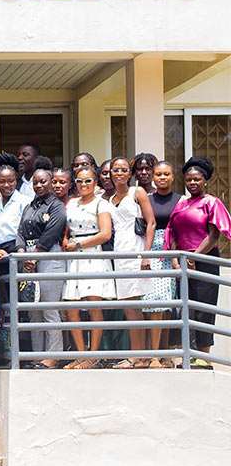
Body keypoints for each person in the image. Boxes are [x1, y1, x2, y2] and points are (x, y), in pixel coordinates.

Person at [163, 156, 231, 367]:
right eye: (189, 179)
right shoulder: (182, 204)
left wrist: (193, 257)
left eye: (197, 179)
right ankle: (190, 353)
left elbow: (213, 235)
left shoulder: (211, 202)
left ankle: (204, 356)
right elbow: (172, 232)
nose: (192, 182)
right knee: (186, 309)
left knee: (203, 308)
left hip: (204, 260)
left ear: (205, 181)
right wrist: (177, 259)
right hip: (183, 262)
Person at [61, 167, 115, 370]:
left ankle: (93, 356)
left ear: (95, 182)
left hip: (93, 254)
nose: (83, 185)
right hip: (74, 257)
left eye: (88, 181)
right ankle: (80, 354)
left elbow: (106, 234)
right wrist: (66, 241)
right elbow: (66, 230)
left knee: (94, 306)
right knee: (72, 307)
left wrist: (79, 245)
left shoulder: (101, 203)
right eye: (80, 181)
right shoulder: (71, 203)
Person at [106, 156, 156, 369]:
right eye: (115, 169)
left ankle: (138, 357)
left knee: (133, 307)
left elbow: (151, 223)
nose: (119, 173)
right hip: (120, 253)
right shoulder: (110, 199)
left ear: (130, 173)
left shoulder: (137, 192)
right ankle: (140, 356)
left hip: (136, 252)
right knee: (129, 307)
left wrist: (146, 255)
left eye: (124, 169)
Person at [15, 169, 68, 369]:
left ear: (51, 182)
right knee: (33, 310)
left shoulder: (56, 206)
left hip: (48, 256)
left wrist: (35, 255)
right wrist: (22, 253)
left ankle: (53, 356)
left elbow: (52, 232)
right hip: (28, 257)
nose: (39, 186)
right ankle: (37, 355)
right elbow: (20, 232)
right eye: (35, 183)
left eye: (43, 181)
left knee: (49, 308)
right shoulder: (30, 206)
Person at [143, 161, 183, 368]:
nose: (162, 177)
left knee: (166, 305)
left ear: (173, 176)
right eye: (158, 174)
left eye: (166, 174)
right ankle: (153, 355)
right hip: (152, 250)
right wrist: (145, 255)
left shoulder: (181, 200)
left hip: (171, 250)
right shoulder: (147, 199)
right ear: (153, 177)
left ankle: (165, 354)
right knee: (155, 304)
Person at [0, 162, 30, 271]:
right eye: (2, 181)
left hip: (22, 251)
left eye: (10, 181)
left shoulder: (25, 202)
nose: (6, 185)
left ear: (16, 181)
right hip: (2, 256)